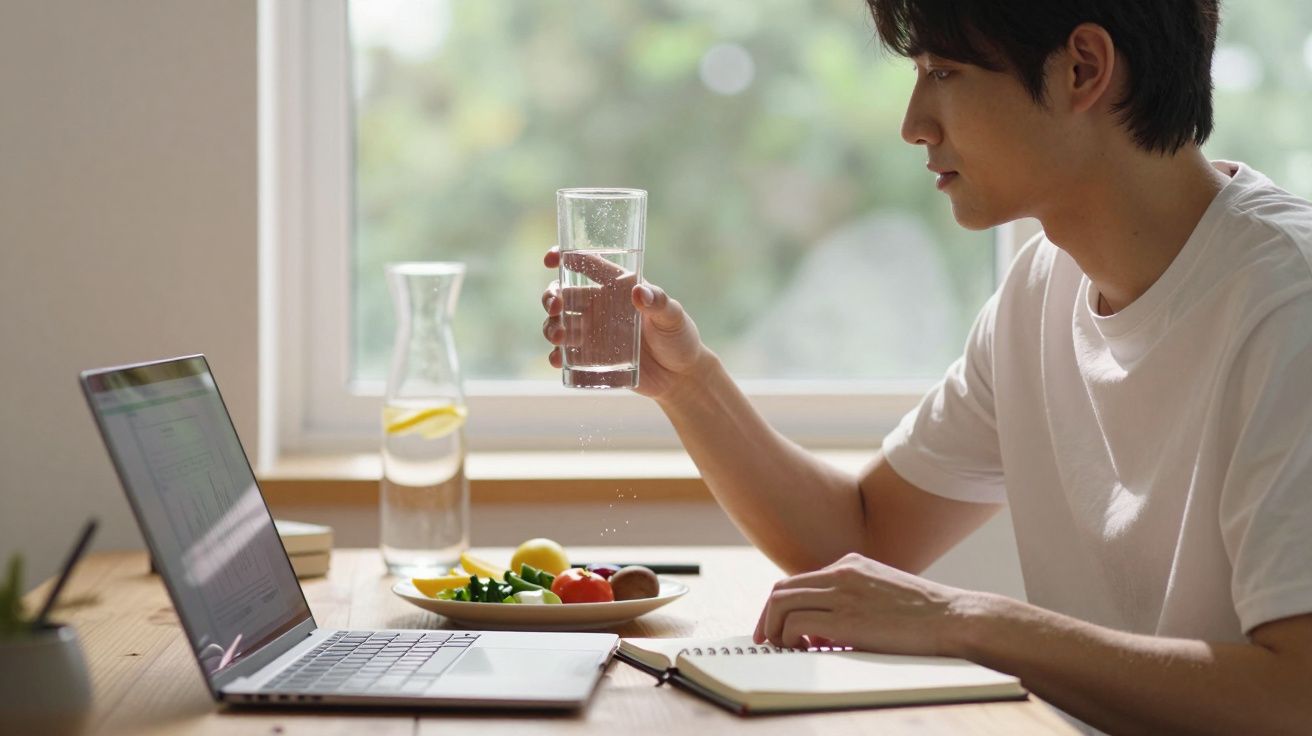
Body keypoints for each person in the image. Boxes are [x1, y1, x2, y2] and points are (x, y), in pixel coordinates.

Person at [541, 1, 1312, 732]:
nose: (913, 125)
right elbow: (860, 535)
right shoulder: (1041, 287)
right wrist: (687, 382)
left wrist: (964, 622)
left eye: (943, 72)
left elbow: (1296, 697)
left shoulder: (1288, 305)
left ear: (1083, 68)